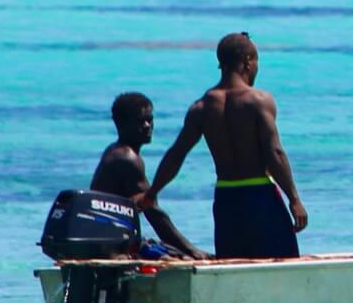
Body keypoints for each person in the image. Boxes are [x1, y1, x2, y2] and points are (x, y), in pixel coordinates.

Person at [132, 33, 310, 259]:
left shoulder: (202, 107)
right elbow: (274, 152)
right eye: (256, 62)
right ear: (247, 61)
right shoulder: (258, 101)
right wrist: (294, 199)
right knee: (282, 264)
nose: (256, 68)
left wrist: (153, 192)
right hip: (260, 197)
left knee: (232, 268)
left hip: (226, 199)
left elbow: (177, 153)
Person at [92, 90, 207, 259]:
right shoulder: (127, 158)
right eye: (140, 121)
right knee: (184, 258)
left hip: (109, 241)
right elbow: (153, 213)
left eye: (150, 120)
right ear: (121, 124)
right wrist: (192, 251)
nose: (147, 126)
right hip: (112, 246)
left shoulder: (115, 151)